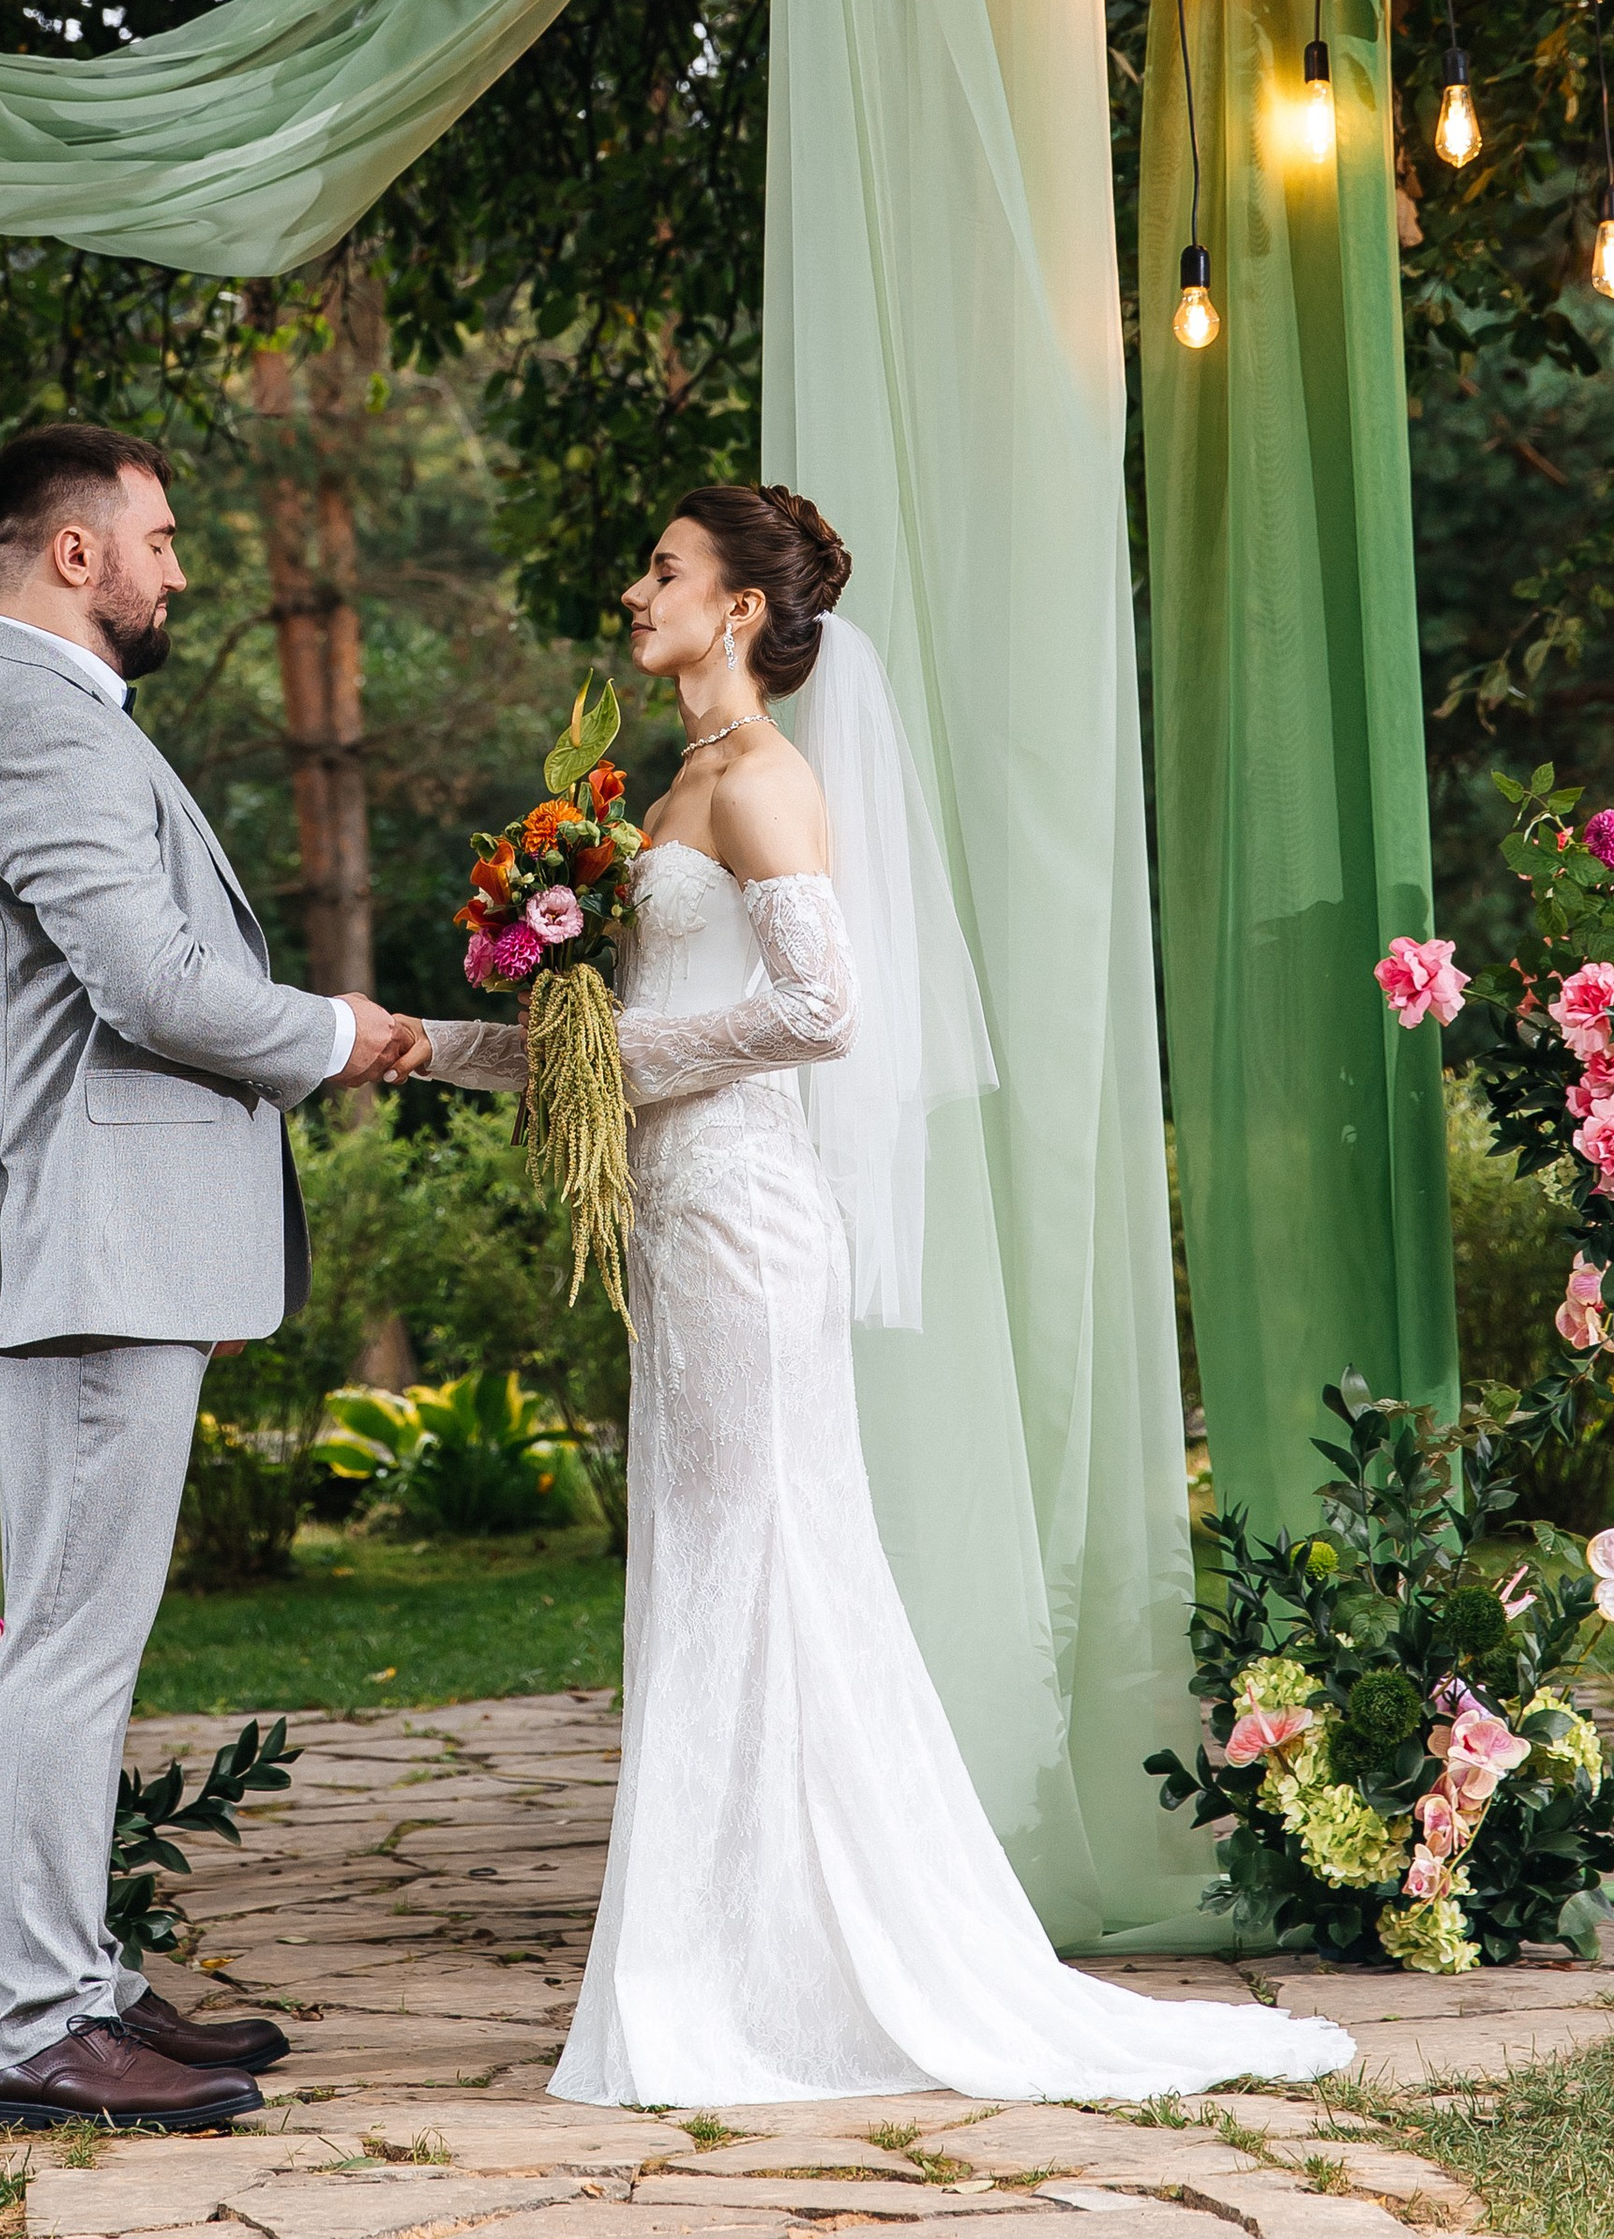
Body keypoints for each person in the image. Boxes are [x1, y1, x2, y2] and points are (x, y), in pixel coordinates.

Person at [415, 482, 1352, 2105]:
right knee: (719, 1568)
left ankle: (756, 1974)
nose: (636, 590)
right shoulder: (677, 780)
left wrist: (612, 1055)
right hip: (684, 1213)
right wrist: (425, 1044)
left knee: (757, 1561)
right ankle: (727, 1956)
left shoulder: (766, 777)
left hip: (745, 1217)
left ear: (743, 613)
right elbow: (628, 1030)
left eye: (665, 569)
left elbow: (824, 1004)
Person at [0, 421, 430, 2132]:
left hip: (94, 1244)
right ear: (75, 553)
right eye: (161, 536)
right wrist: (341, 1035)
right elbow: (154, 983)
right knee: (69, 1640)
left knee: (83, 1634)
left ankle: (87, 1979)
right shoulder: (38, 724)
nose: (181, 566)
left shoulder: (46, 713)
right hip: (85, 1250)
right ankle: (49, 2024)